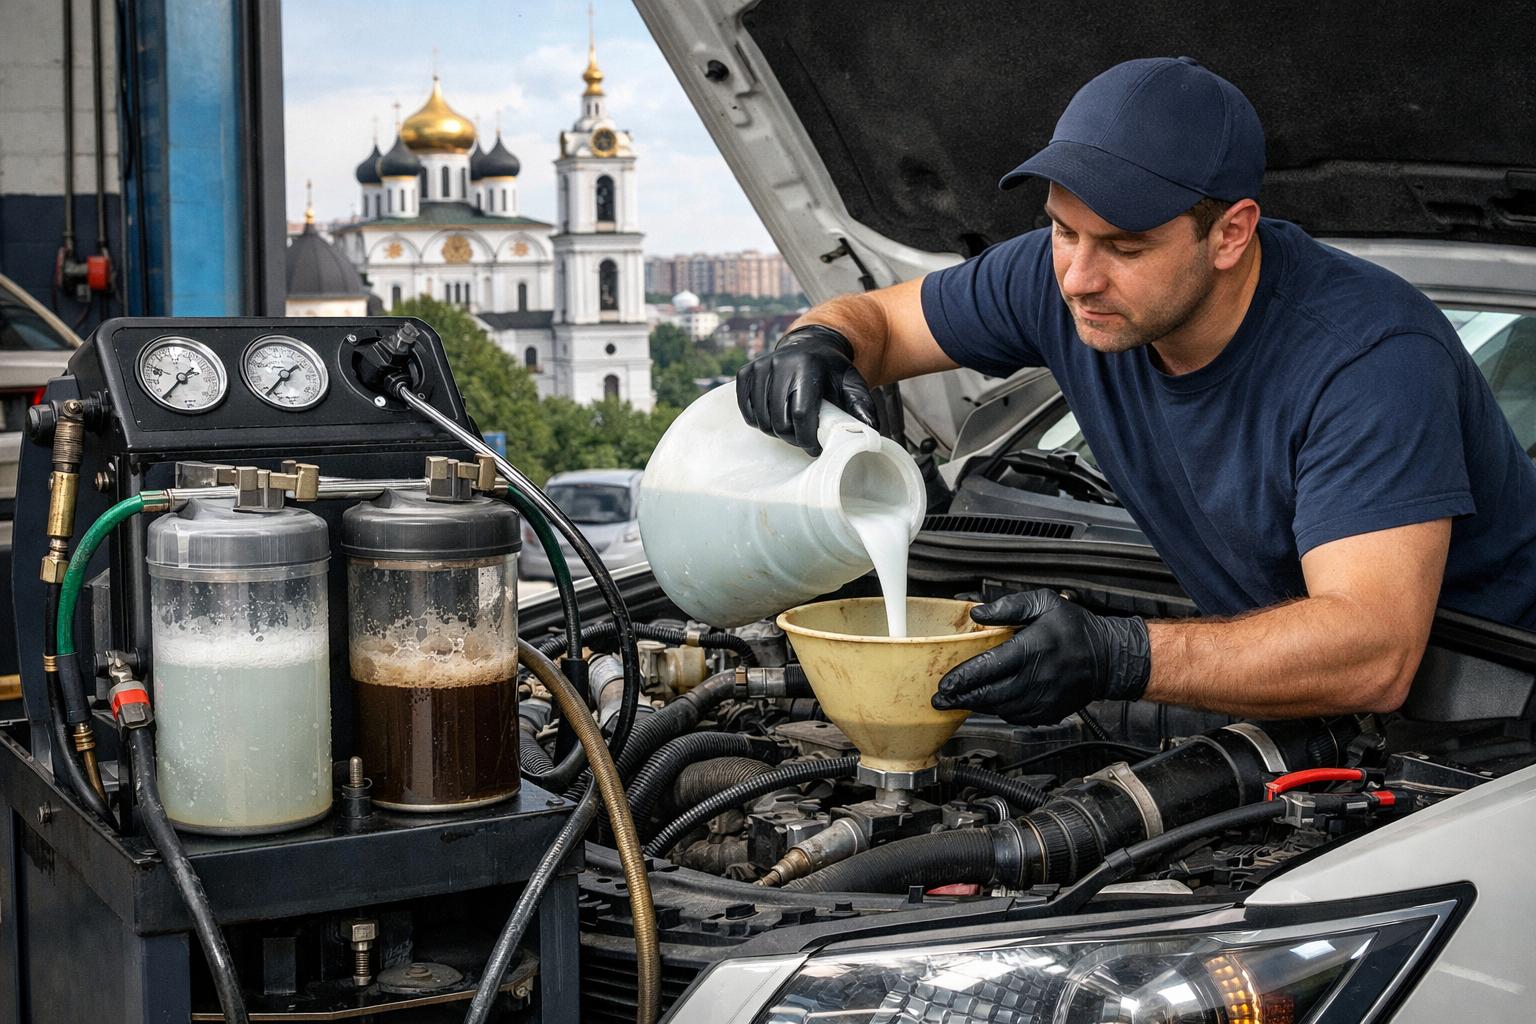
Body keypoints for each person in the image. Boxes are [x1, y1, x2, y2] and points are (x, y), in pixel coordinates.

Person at [735, 57, 1536, 727]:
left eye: (1125, 245)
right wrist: (820, 340)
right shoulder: (1063, 280)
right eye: (1063, 229)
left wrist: (1119, 654)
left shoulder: (1369, 360)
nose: (1079, 278)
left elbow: (1371, 653)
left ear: (1230, 233)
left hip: (1487, 734)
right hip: (1292, 708)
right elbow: (879, 321)